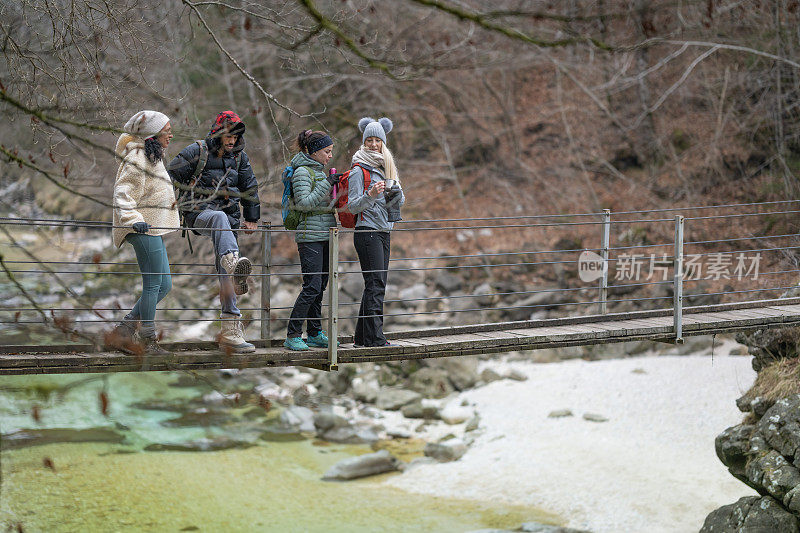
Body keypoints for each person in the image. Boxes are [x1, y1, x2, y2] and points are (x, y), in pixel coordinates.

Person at [167, 111, 260, 354]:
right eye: (228, 135)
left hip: (228, 222)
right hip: (198, 215)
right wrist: (170, 208)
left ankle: (230, 332)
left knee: (226, 272)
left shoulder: (240, 158)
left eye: (235, 136)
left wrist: (251, 217)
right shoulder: (196, 151)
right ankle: (232, 263)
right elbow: (168, 175)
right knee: (219, 222)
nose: (231, 141)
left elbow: (249, 187)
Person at [107, 110, 180, 355]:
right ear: (152, 134)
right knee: (153, 285)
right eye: (166, 131)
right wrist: (133, 219)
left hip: (152, 228)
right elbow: (122, 193)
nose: (170, 135)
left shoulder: (152, 156)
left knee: (165, 285)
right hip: (141, 228)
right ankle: (148, 341)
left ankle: (125, 330)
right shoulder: (137, 157)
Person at [347, 117, 405, 347]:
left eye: (377, 140)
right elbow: (352, 206)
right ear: (363, 141)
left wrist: (396, 194)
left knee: (375, 282)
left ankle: (362, 337)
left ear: (383, 142)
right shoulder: (358, 170)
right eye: (369, 140)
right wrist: (370, 195)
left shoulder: (386, 167)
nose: (373, 144)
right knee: (376, 284)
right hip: (367, 231)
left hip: (384, 230)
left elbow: (395, 204)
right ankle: (375, 338)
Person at [284, 130, 339, 351]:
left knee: (320, 286)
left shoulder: (317, 171)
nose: (329, 156)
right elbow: (304, 204)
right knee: (312, 286)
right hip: (309, 237)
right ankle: (293, 334)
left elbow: (320, 205)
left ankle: (315, 332)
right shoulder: (302, 173)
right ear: (314, 151)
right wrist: (327, 185)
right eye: (327, 151)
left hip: (325, 235)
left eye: (331, 152)